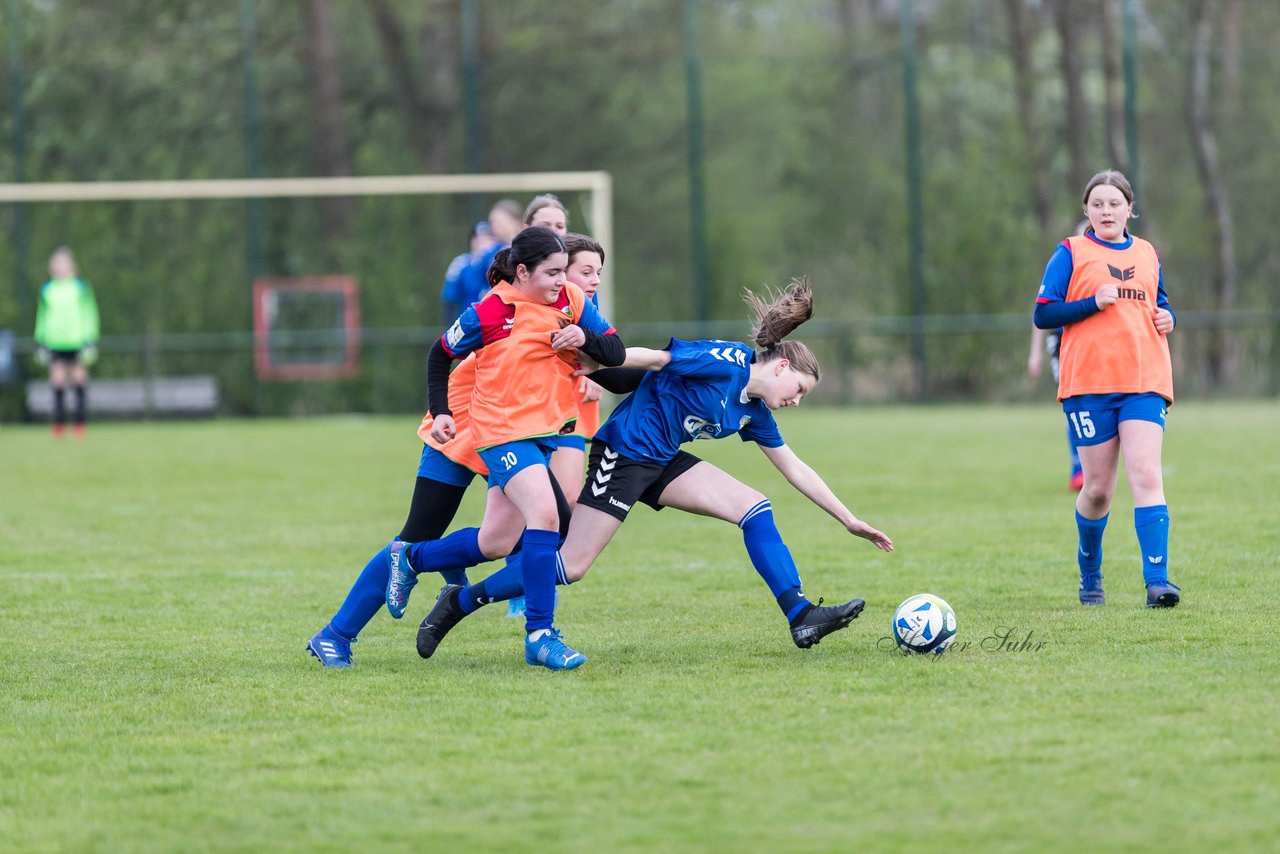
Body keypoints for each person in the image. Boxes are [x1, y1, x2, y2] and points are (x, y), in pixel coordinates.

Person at [414, 278, 894, 661]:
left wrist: (849, 519)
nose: (796, 401)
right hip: (624, 454)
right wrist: (597, 357)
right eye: (800, 390)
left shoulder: (754, 411)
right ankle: (459, 601)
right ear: (783, 367)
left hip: (662, 460)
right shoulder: (723, 362)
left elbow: (796, 468)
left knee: (754, 507)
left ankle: (801, 614)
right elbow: (657, 360)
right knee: (570, 566)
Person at [386, 226, 625, 671]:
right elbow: (439, 354)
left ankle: (412, 556)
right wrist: (441, 411)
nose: (562, 280)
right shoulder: (490, 312)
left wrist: (584, 339)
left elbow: (614, 350)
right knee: (547, 518)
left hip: (544, 431)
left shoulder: (570, 300)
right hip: (498, 432)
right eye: (552, 272)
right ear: (522, 271)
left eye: (563, 272)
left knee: (495, 541)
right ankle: (540, 634)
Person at [1033, 169, 1179, 609]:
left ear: (1129, 209)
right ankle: (1090, 573)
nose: (1106, 211)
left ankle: (1158, 582)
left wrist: (1169, 317)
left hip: (1144, 380)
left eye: (1114, 203)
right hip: (1090, 384)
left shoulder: (1148, 253)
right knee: (1098, 488)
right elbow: (1044, 315)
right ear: (1086, 211)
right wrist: (1091, 303)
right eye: (1097, 204)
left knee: (1147, 476)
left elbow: (1162, 303)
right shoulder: (1070, 253)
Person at [506, 229, 606, 619]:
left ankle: (532, 593)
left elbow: (610, 351)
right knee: (529, 514)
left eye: (599, 272)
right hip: (518, 418)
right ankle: (524, 592)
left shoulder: (583, 306)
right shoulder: (516, 304)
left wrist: (596, 369)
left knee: (564, 502)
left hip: (570, 409)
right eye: (586, 271)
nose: (593, 279)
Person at [1029, 220, 1090, 492]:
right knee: (1075, 404)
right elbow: (1040, 312)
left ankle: (1093, 466)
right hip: (1063, 342)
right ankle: (1078, 467)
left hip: (1096, 345)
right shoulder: (1064, 263)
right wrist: (1035, 355)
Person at [34, 247, 100, 439]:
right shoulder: (47, 290)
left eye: (64, 263)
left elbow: (90, 314)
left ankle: (80, 423)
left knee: (79, 379)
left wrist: (90, 339)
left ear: (71, 265)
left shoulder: (81, 287)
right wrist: (40, 340)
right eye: (58, 263)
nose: (61, 267)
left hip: (77, 339)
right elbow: (42, 317)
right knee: (58, 381)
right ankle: (58, 424)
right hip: (55, 341)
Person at [440, 221, 497, 322]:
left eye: (487, 238)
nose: (484, 243)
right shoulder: (461, 264)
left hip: (493, 323)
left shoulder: (498, 263)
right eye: (479, 239)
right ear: (472, 241)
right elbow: (450, 298)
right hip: (468, 323)